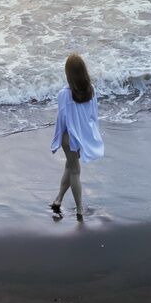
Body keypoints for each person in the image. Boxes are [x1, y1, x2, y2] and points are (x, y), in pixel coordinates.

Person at [48, 52, 103, 222]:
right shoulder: (91, 90)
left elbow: (62, 119)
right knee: (74, 170)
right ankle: (79, 208)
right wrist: (90, 137)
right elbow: (93, 117)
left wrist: (57, 140)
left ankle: (58, 200)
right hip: (81, 136)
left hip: (69, 138)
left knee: (71, 168)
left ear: (68, 74)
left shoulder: (63, 94)